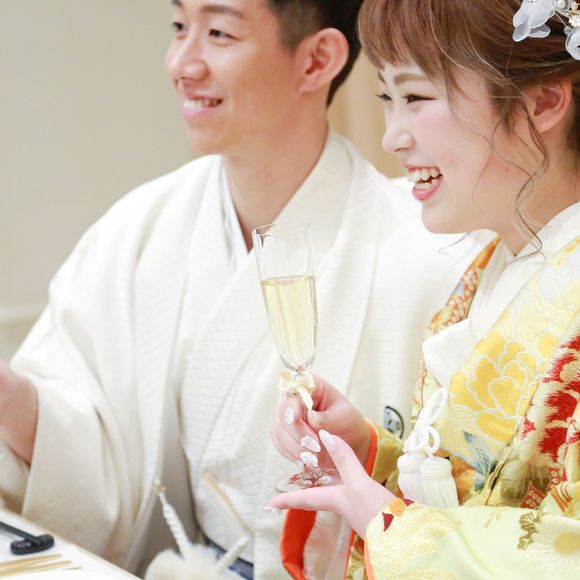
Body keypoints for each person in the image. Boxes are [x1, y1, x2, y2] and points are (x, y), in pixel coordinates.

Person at [0, 0, 478, 578]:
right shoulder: (140, 231)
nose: (181, 63)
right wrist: (11, 396)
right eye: (179, 27)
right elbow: (82, 438)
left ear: (316, 60)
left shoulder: (428, 254)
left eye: (219, 33)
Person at [269, 0, 580, 578]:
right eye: (386, 98)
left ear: (542, 102)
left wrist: (397, 530)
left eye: (415, 97)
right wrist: (369, 452)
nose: (392, 137)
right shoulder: (493, 267)